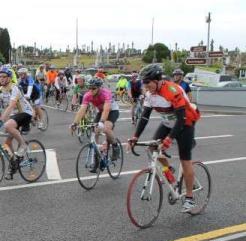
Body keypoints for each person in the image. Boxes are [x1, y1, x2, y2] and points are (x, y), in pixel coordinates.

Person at [126, 64, 201, 214]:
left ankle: (190, 198)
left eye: (147, 82)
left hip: (185, 123)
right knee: (153, 147)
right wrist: (135, 137)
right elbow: (145, 117)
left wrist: (168, 140)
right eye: (143, 83)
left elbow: (180, 120)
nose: (145, 85)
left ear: (158, 80)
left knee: (185, 160)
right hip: (168, 123)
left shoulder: (173, 90)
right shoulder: (149, 95)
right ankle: (168, 171)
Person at [70, 77, 121, 170]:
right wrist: (75, 123)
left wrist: (101, 122)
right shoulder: (87, 95)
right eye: (89, 88)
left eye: (93, 88)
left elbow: (106, 110)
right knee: (94, 131)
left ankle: (115, 146)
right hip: (100, 112)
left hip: (112, 111)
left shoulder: (106, 93)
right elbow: (82, 110)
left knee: (106, 129)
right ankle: (98, 156)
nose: (91, 90)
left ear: (99, 87)